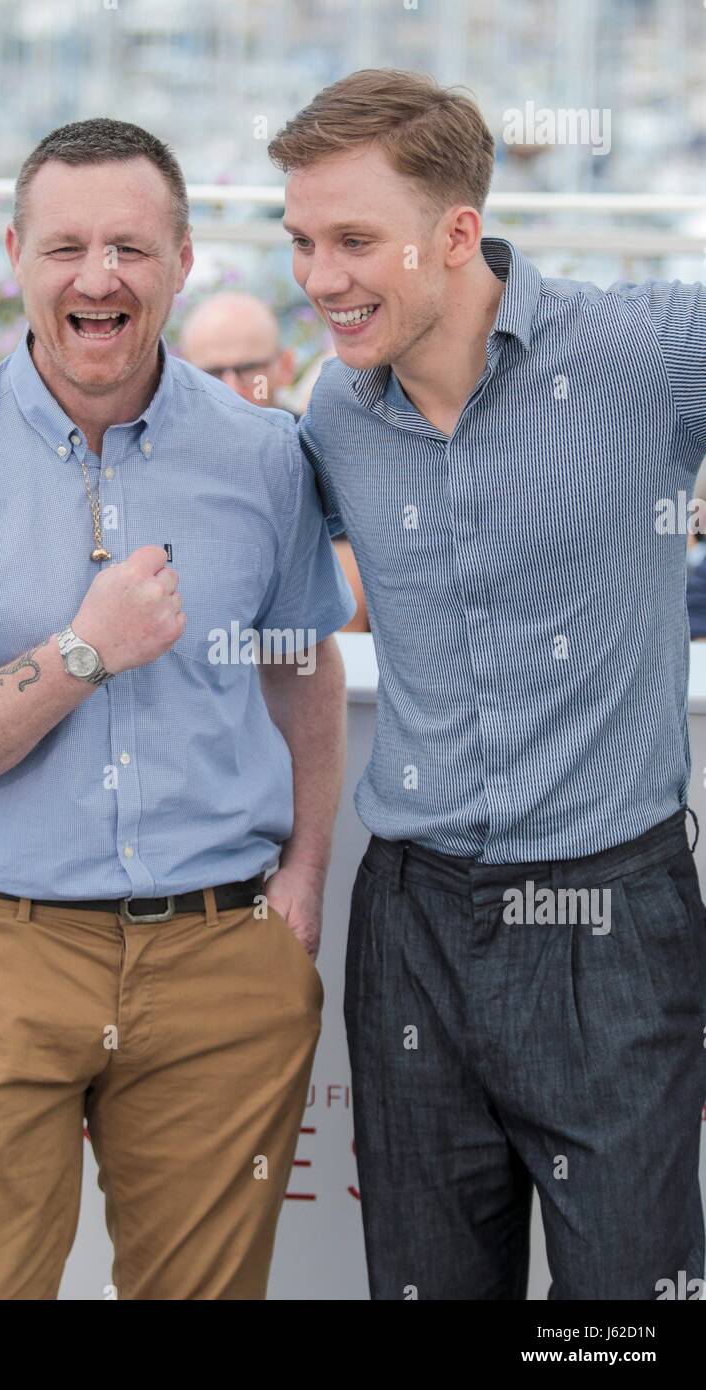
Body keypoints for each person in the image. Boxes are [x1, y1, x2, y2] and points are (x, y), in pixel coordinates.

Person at [0, 117, 355, 1300]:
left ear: (180, 262)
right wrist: (85, 651)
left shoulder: (265, 457)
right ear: (16, 255)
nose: (97, 277)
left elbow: (301, 667)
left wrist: (303, 877)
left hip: (220, 959)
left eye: (130, 247)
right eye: (66, 246)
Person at [269, 67, 706, 1301]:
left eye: (353, 240)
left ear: (456, 234)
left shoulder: (642, 351)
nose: (317, 278)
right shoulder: (333, 409)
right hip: (408, 923)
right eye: (300, 240)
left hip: (611, 920)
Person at [178, 290, 368, 630]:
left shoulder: (319, 453)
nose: (231, 387)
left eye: (249, 369)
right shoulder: (162, 456)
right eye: (212, 372)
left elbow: (344, 615)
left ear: (286, 366)